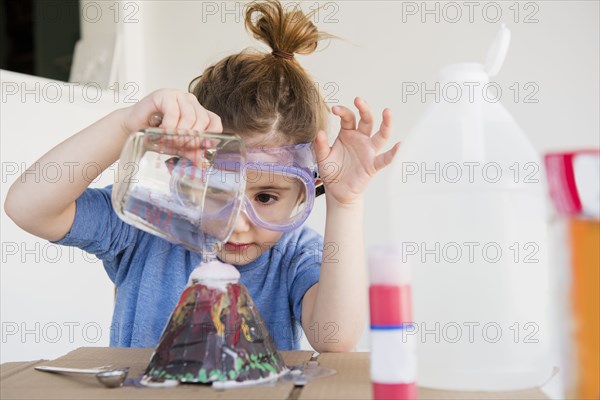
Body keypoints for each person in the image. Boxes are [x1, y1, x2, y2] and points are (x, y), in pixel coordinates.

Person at [4, 0, 399, 352]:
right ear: (184, 172)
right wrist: (125, 125)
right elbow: (28, 208)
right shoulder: (149, 230)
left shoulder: (295, 255)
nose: (238, 224)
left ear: (305, 191)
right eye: (218, 187)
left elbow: (336, 337)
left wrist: (346, 203)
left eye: (265, 197)